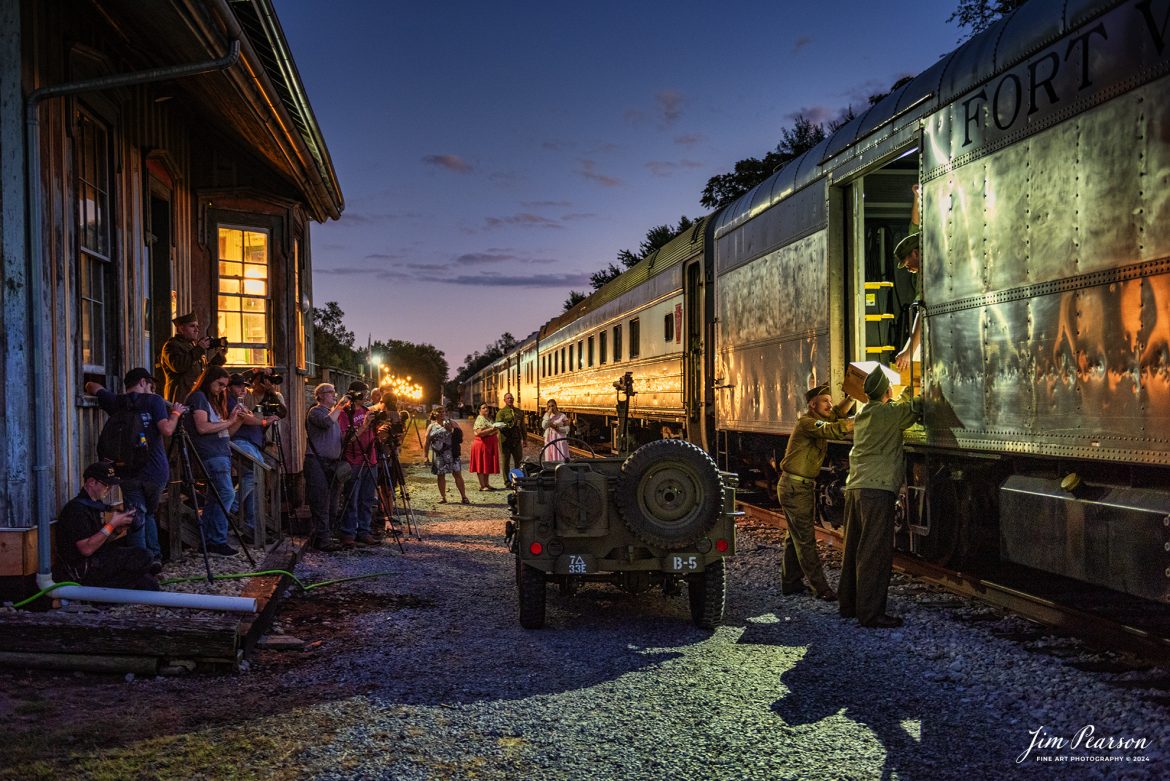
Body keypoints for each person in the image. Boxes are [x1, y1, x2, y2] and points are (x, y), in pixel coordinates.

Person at [838, 367, 923, 628]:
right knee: (874, 551)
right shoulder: (888, 414)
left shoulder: (865, 412)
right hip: (877, 489)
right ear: (887, 390)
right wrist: (920, 385)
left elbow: (897, 406)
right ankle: (871, 613)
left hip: (855, 487)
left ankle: (849, 604)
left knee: (853, 548)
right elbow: (914, 407)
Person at [84, 368, 186, 570]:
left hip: (126, 470)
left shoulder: (116, 401)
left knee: (135, 513)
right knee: (148, 514)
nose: (152, 388)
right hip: (155, 471)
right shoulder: (154, 400)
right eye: (150, 384)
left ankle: (142, 561)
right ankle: (153, 557)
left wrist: (95, 387)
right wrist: (175, 413)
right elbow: (166, 430)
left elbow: (91, 386)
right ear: (142, 381)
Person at [777, 384, 854, 601]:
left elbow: (836, 414)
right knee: (805, 540)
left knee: (795, 536)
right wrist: (864, 419)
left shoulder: (818, 419)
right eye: (825, 401)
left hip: (800, 486)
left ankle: (790, 583)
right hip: (795, 487)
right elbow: (832, 428)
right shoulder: (807, 423)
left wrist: (851, 396)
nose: (830, 405)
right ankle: (821, 588)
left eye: (830, 401)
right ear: (812, 405)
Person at [54, 462, 160, 590]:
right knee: (144, 556)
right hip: (84, 569)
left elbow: (98, 541)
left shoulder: (95, 506)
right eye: (106, 485)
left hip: (99, 560)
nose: (109, 490)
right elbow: (86, 549)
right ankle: (99, 593)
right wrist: (111, 524)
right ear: (91, 482)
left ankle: (114, 591)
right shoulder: (76, 510)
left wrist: (117, 530)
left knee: (150, 585)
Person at [184, 366, 246, 556]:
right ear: (209, 379)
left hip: (221, 451)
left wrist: (237, 419)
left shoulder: (213, 402)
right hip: (210, 454)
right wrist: (228, 421)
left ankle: (210, 540)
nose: (221, 389)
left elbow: (225, 432)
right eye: (219, 384)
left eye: (225, 386)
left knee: (215, 497)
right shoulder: (198, 398)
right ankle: (217, 540)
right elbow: (202, 427)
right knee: (226, 494)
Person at [227, 373, 280, 540]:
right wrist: (264, 422)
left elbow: (282, 411)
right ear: (229, 387)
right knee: (251, 474)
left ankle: (252, 527)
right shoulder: (229, 400)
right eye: (238, 386)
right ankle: (231, 505)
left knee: (255, 481)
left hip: (253, 443)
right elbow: (245, 418)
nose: (242, 389)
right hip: (241, 441)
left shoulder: (242, 400)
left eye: (243, 386)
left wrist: (270, 392)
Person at [304, 383, 346, 552]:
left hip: (331, 463)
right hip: (316, 462)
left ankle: (325, 535)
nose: (334, 395)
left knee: (333, 502)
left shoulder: (333, 415)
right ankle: (323, 539)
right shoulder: (316, 412)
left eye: (334, 392)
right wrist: (340, 406)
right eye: (330, 392)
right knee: (320, 500)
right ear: (320, 395)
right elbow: (326, 423)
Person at [337, 381, 378, 547]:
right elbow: (346, 440)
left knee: (367, 498)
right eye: (363, 393)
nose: (366, 397)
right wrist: (365, 425)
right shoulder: (344, 413)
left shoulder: (367, 411)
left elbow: (372, 435)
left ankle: (364, 531)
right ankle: (348, 533)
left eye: (366, 393)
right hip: (353, 460)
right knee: (351, 498)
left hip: (370, 459)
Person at [160, 312, 227, 403]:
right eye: (192, 326)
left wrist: (219, 357)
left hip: (195, 396)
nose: (197, 330)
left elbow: (204, 372)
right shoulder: (172, 345)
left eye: (197, 327)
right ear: (181, 328)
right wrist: (199, 348)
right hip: (180, 399)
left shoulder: (193, 346)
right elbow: (178, 366)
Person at [894, 184, 923, 373]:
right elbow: (915, 222)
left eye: (907, 264)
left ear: (915, 253)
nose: (908, 269)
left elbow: (924, 313)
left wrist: (908, 351)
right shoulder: (922, 269)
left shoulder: (929, 276)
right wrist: (917, 197)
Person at [426, 409, 470, 504]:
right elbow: (427, 441)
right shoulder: (431, 426)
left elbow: (460, 437)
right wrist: (425, 456)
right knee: (440, 475)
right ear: (434, 414)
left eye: (443, 412)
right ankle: (443, 497)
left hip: (452, 453)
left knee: (457, 474)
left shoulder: (451, 422)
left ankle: (464, 496)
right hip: (439, 455)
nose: (442, 414)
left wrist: (451, 429)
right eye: (439, 412)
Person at [469, 403, 501, 490]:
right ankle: (482, 485)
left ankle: (486, 484)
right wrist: (492, 429)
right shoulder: (480, 419)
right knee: (481, 464)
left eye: (487, 407)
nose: (486, 409)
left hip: (488, 444)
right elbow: (479, 433)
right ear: (479, 410)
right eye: (483, 408)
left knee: (487, 463)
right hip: (482, 444)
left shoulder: (487, 418)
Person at [495, 393, 525, 476]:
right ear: (504, 400)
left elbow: (523, 427)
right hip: (505, 441)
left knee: (519, 461)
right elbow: (499, 426)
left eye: (511, 398)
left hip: (516, 440)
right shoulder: (501, 413)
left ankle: (518, 479)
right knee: (505, 462)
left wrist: (525, 439)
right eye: (508, 398)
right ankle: (507, 482)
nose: (510, 400)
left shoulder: (519, 412)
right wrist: (511, 425)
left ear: (514, 399)